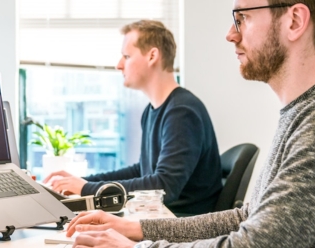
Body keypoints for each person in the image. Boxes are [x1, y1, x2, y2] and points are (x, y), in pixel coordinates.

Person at [64, 0, 315, 247]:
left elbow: (256, 245)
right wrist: (140, 230)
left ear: (294, 21)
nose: (231, 33)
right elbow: (247, 217)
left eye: (243, 17)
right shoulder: (307, 112)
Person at [44, 20, 223, 215]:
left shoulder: (182, 112)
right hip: (160, 217)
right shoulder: (153, 110)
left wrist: (86, 189)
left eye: (127, 56)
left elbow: (163, 188)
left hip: (181, 225)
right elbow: (143, 171)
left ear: (152, 56)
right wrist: (84, 182)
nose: (118, 65)